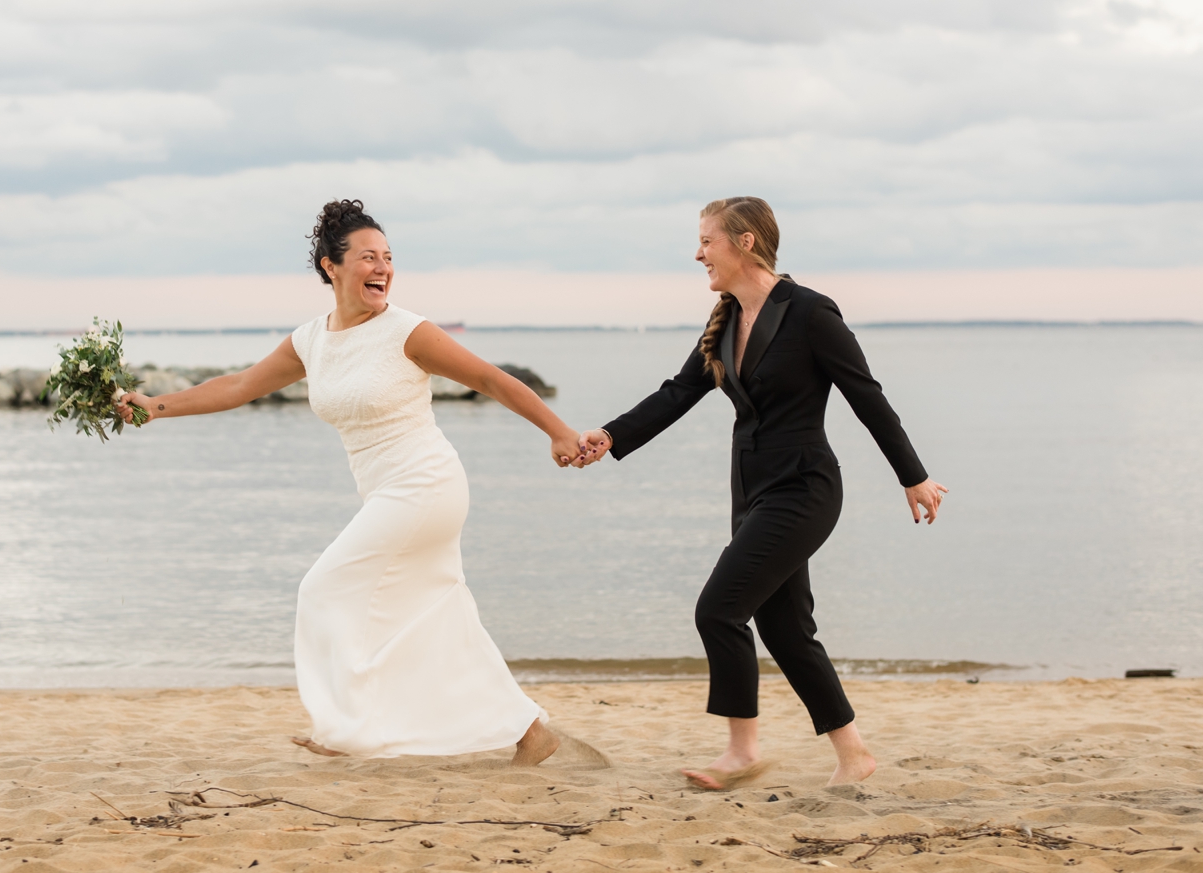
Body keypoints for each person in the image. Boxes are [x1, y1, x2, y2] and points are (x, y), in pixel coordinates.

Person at [117, 199, 585, 764]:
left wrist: (558, 432)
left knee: (323, 589)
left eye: (388, 257)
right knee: (432, 617)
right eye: (368, 257)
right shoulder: (312, 340)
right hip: (387, 492)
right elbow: (239, 385)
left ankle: (343, 729)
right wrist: (154, 407)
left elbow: (489, 378)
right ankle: (531, 732)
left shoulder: (407, 331)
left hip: (425, 485)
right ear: (330, 267)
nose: (383, 268)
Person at [570, 196, 947, 789]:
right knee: (787, 631)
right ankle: (855, 755)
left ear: (746, 243)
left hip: (803, 488)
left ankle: (742, 752)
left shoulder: (810, 313)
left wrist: (913, 476)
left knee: (719, 609)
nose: (698, 254)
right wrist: (610, 435)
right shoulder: (725, 319)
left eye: (707, 241)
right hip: (750, 492)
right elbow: (677, 393)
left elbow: (866, 397)